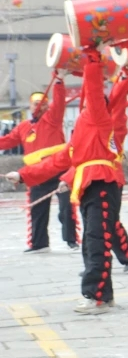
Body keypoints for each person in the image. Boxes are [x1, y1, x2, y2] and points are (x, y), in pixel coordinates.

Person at [7, 48, 128, 312]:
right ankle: (102, 295)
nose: (85, 103)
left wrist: (93, 59)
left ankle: (97, 296)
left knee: (97, 240)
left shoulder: (101, 120)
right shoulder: (84, 131)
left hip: (102, 184)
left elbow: (96, 90)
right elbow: (59, 161)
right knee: (93, 241)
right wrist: (22, 175)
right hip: (90, 185)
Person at [0, 78, 75, 251]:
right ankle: (39, 243)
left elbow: (59, 103)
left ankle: (71, 240)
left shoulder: (52, 119)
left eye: (43, 104)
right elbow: (6, 141)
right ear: (30, 106)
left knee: (66, 208)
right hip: (36, 174)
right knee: (37, 209)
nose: (39, 107)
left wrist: (58, 82)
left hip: (59, 171)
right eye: (36, 104)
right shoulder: (23, 127)